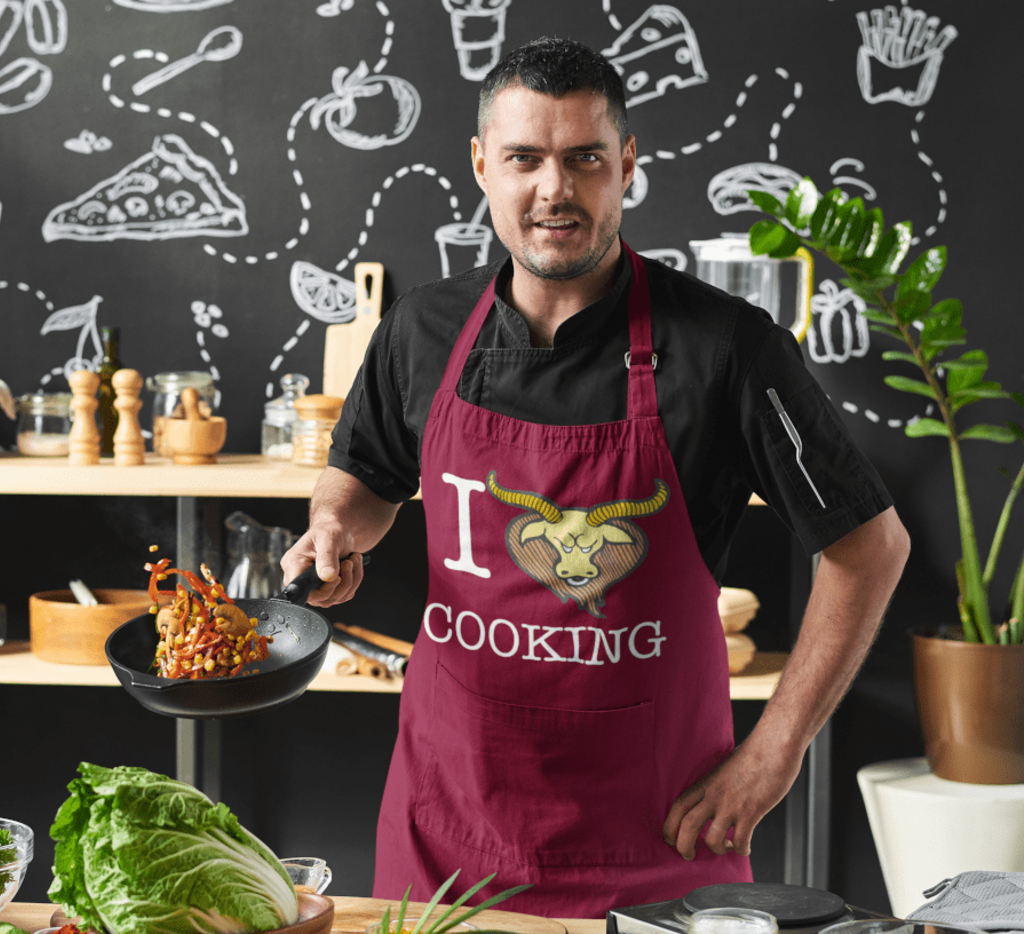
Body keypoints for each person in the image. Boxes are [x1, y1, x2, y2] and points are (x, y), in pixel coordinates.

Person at [281, 36, 910, 919]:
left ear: (627, 166)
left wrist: (775, 753)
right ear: (481, 165)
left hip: (655, 841)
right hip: (446, 828)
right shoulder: (422, 330)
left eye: (584, 158)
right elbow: (364, 477)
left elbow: (870, 546)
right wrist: (334, 526)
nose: (555, 189)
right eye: (524, 159)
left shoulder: (727, 348)